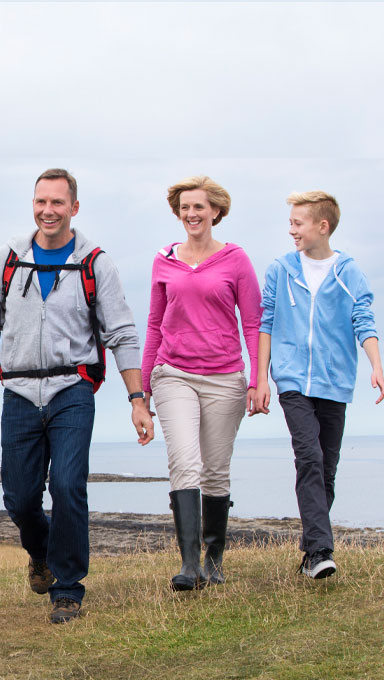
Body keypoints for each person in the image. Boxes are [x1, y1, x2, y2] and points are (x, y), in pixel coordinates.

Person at [0, 168, 153, 624]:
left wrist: (137, 399)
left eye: (58, 203)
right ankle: (40, 552)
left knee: (67, 486)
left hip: (73, 389)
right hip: (19, 391)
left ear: (74, 208)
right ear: (33, 205)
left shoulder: (95, 263)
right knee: (19, 498)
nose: (48, 210)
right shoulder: (7, 259)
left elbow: (122, 334)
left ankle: (67, 588)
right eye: (41, 201)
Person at [254, 191, 384, 579]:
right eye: (291, 222)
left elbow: (365, 319)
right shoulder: (281, 269)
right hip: (292, 379)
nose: (291, 229)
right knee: (308, 457)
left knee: (326, 468)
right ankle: (321, 551)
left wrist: (375, 366)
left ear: (322, 226)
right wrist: (261, 378)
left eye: (298, 223)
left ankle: (310, 551)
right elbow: (266, 323)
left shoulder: (349, 272)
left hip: (335, 382)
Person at [141, 175, 261, 591]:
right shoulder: (164, 261)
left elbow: (253, 323)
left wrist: (256, 380)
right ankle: (189, 566)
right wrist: (142, 392)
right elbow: (154, 325)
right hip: (173, 373)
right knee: (184, 461)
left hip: (225, 378)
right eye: (185, 208)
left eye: (199, 207)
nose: (192, 214)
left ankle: (214, 559)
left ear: (215, 212)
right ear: (178, 213)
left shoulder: (236, 260)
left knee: (214, 471)